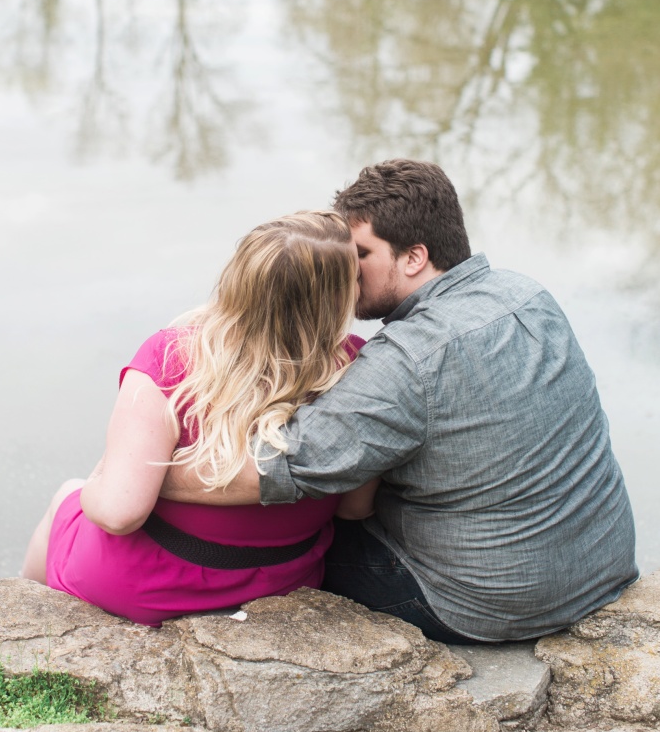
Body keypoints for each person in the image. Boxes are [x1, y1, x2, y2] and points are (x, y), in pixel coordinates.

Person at [161, 160, 638, 645]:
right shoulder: (528, 293)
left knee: (294, 546)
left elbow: (276, 468)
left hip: (489, 603)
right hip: (600, 567)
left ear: (414, 258)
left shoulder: (409, 357)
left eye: (360, 253)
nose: (344, 268)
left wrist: (139, 479)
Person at [21, 211, 371, 626]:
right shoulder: (361, 369)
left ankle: (23, 624)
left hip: (153, 588)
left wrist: (98, 479)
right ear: (334, 298)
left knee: (69, 493)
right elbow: (355, 506)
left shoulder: (172, 359)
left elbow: (119, 513)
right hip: (282, 584)